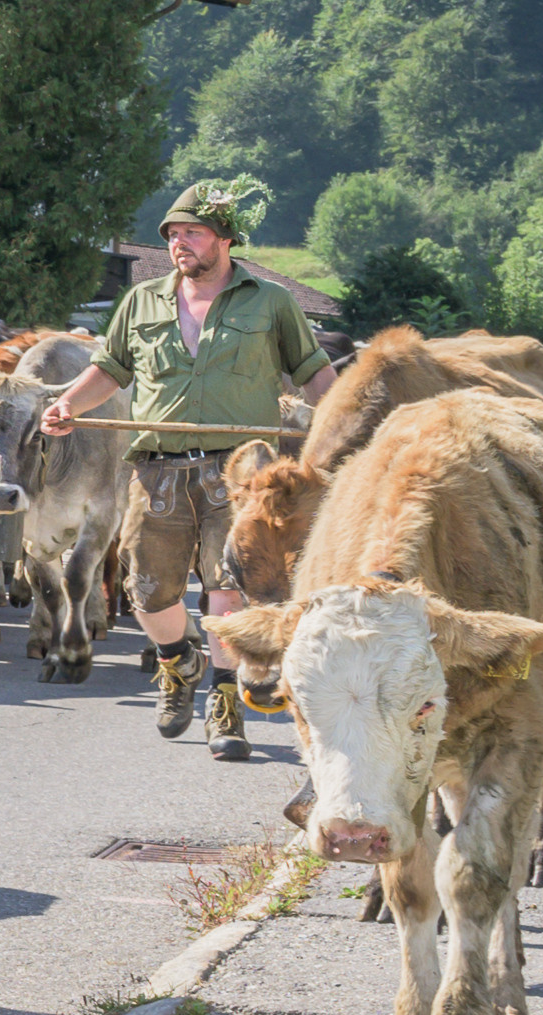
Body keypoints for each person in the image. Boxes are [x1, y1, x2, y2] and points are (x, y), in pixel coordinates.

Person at [39, 182, 337, 763]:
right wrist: (68, 405)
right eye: (173, 234)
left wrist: (345, 428)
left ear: (225, 239)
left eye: (192, 233)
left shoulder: (271, 302)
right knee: (148, 594)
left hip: (242, 476)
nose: (179, 243)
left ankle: (223, 703)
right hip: (156, 470)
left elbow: (314, 374)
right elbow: (111, 369)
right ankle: (180, 664)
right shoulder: (142, 301)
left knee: (228, 592)